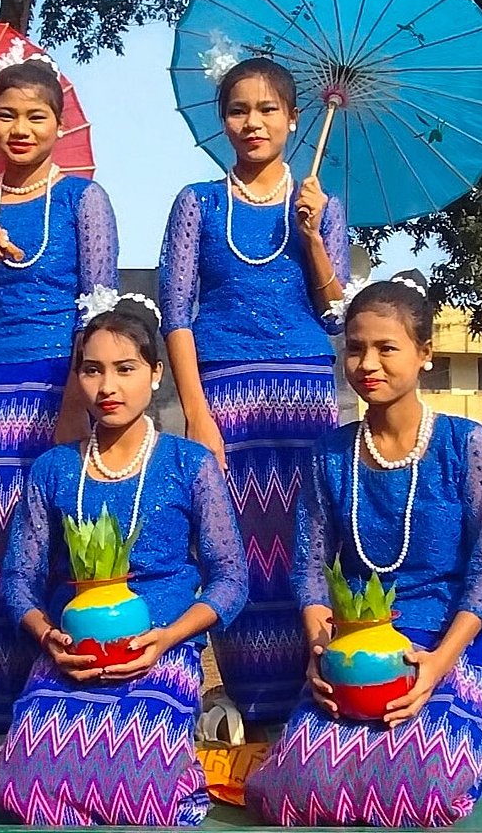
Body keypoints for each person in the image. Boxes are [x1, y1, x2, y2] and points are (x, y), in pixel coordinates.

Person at [246, 270, 482, 828]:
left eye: (387, 348)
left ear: (424, 354)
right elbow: (311, 568)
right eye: (356, 349)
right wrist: (321, 650)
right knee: (291, 790)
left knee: (426, 788)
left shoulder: (469, 446)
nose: (368, 365)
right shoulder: (330, 453)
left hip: (446, 645)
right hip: (355, 648)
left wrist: (437, 665)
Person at [0, 295, 247, 826]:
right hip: (72, 651)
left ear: (156, 374)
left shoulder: (189, 463)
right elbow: (18, 577)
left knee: (142, 783)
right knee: (23, 783)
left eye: (125, 369)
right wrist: (48, 639)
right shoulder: (53, 470)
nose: (107, 387)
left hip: (160, 650)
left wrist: (169, 638)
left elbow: (231, 580)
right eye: (92, 370)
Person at [0, 54, 119, 767]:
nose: (20, 127)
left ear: (59, 126)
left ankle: (51, 701)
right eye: (7, 114)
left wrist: (78, 407)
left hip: (56, 389)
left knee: (50, 545)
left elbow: (99, 307)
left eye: (36, 115)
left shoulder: (83, 201)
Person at [158, 56, 349, 729]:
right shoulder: (197, 204)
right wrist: (195, 415)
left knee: (307, 542)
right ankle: (244, 694)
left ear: (295, 120)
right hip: (224, 400)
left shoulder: (325, 206)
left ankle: (311, 691)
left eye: (268, 109)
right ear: (222, 122)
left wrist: (315, 238)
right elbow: (175, 313)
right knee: (231, 545)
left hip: (305, 401)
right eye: (239, 109)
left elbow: (336, 314)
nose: (253, 122)